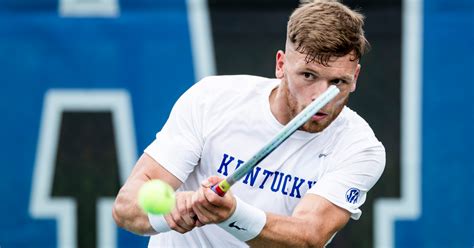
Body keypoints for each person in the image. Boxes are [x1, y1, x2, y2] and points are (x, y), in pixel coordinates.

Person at [113, 0, 385, 247]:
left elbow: (309, 235)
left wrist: (231, 214)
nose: (321, 99)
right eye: (308, 75)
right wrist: (169, 213)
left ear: (356, 77)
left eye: (338, 82)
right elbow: (126, 206)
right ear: (281, 65)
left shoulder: (360, 147)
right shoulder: (212, 99)